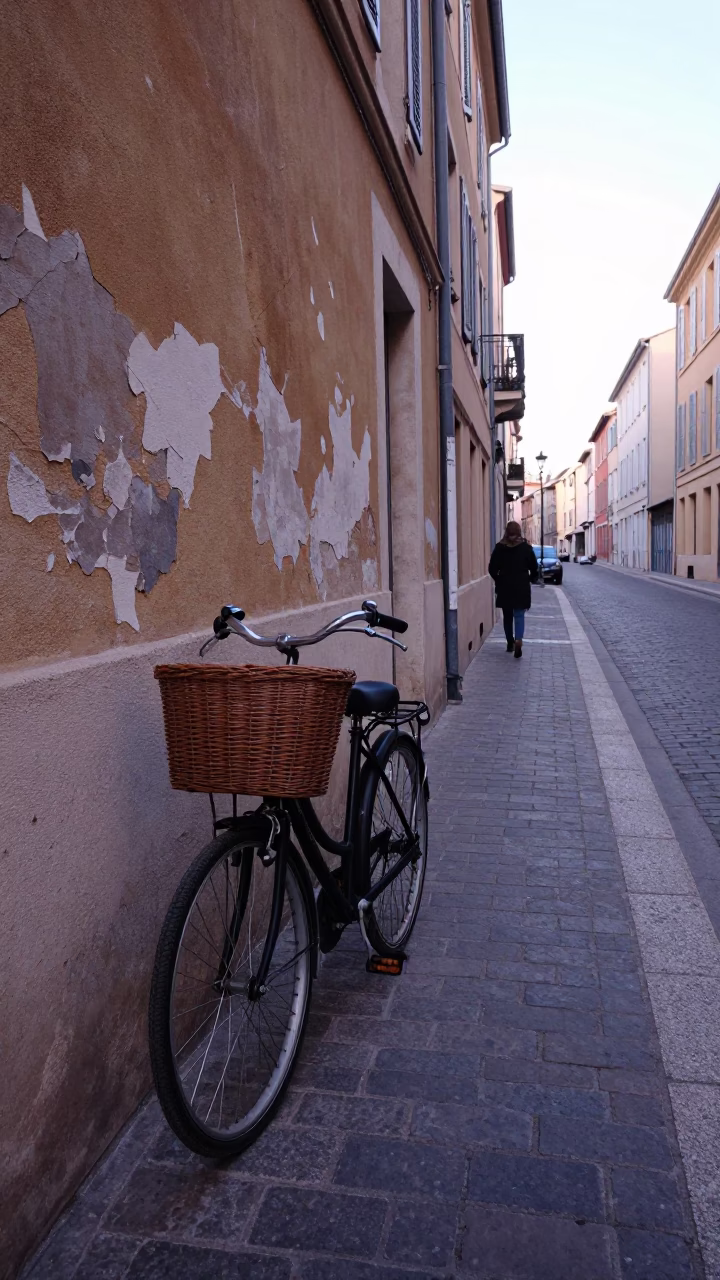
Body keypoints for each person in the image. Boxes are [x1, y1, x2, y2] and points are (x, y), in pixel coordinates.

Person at [488, 521, 539, 658]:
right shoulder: (526, 548)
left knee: (507, 616)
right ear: (519, 531)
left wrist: (499, 579)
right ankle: (518, 639)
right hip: (521, 585)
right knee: (519, 614)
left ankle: (510, 642)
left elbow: (492, 568)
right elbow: (534, 567)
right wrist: (533, 578)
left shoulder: (500, 547)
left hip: (505, 585)